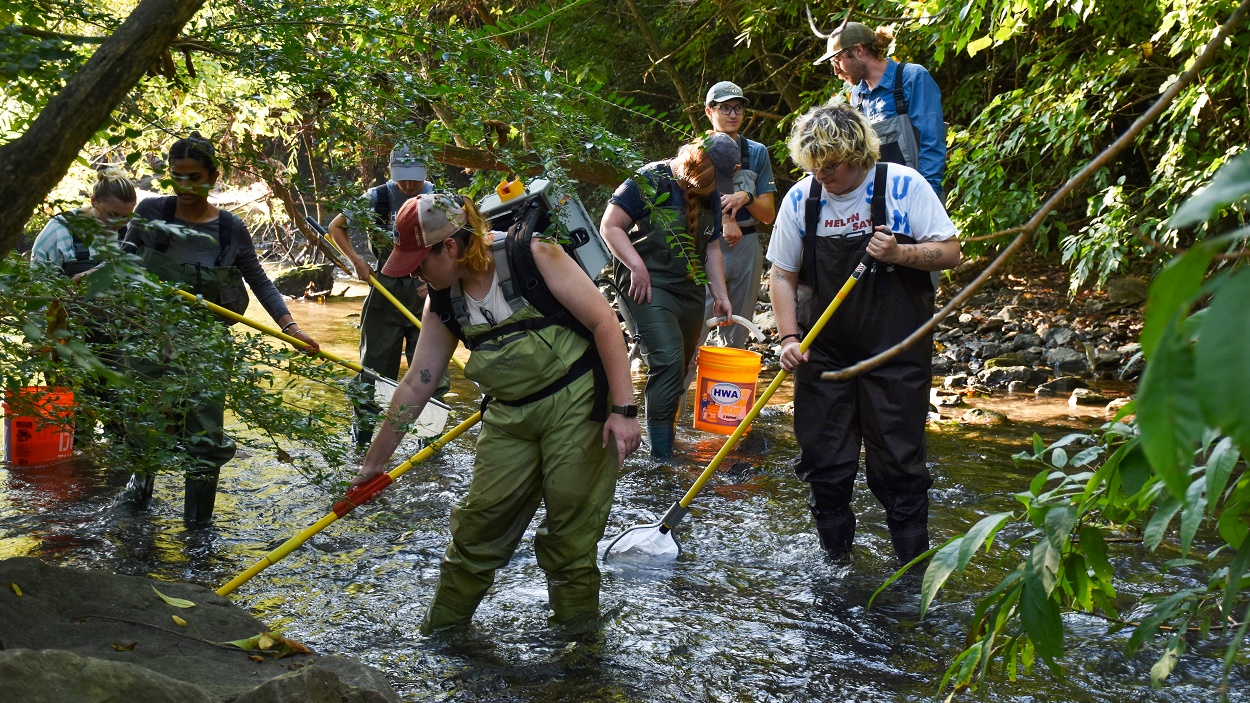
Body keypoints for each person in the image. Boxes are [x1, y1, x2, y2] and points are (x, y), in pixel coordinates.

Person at [352, 193, 642, 632]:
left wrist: (623, 410)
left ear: (449, 247)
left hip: (578, 405)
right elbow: (416, 383)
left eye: (418, 263)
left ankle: (580, 649)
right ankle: (441, 637)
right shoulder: (442, 301)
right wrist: (374, 465)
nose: (414, 274)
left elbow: (605, 322)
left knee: (569, 538)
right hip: (509, 416)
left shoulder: (535, 255)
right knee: (475, 533)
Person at [767, 103, 959, 564]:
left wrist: (899, 253)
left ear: (857, 152)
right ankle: (836, 567)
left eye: (830, 165)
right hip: (823, 354)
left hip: (895, 351)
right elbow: (781, 275)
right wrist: (789, 338)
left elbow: (951, 253)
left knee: (897, 465)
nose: (822, 176)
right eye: (813, 166)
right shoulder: (801, 199)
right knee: (825, 464)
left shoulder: (902, 185)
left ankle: (911, 572)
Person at [121, 133, 320, 525]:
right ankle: (137, 501)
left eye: (195, 177)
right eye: (178, 177)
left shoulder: (230, 229)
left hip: (207, 344)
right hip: (148, 335)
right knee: (143, 424)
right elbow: (124, 259)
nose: (186, 186)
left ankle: (198, 526)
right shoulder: (150, 213)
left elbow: (260, 282)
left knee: (205, 437)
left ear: (214, 176)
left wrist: (291, 327)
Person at [600, 134, 735, 460]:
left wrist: (720, 292)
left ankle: (665, 438)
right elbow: (610, 226)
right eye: (717, 177)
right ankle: (661, 459)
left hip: (689, 290)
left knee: (681, 367)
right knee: (668, 360)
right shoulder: (651, 179)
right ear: (702, 164)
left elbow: (712, 245)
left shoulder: (710, 195)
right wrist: (636, 265)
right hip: (646, 284)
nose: (720, 185)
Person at [326, 144, 448, 445]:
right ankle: (365, 434)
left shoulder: (441, 199)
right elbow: (336, 226)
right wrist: (358, 261)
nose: (408, 185)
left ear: (425, 172)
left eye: (414, 179)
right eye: (402, 178)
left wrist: (439, 279)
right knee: (375, 368)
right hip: (385, 287)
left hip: (428, 291)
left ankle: (427, 437)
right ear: (392, 172)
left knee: (430, 370)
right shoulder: (377, 198)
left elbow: (457, 240)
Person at [814, 21, 947, 199]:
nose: (836, 71)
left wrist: (927, 195)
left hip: (919, 193)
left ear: (859, 50)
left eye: (838, 60)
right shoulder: (857, 96)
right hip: (880, 199)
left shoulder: (911, 77)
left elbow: (932, 142)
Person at [700, 81, 778, 349]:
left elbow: (768, 215)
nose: (733, 114)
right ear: (709, 112)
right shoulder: (696, 152)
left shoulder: (757, 153)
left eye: (738, 108)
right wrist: (724, 220)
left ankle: (726, 386)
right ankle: (681, 389)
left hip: (747, 246)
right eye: (725, 108)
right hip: (707, 245)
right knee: (696, 325)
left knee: (739, 328)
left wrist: (747, 196)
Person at [30, 167, 136, 278]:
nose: (118, 223)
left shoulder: (131, 231)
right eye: (111, 215)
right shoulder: (59, 231)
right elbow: (37, 282)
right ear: (94, 201)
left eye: (125, 217)